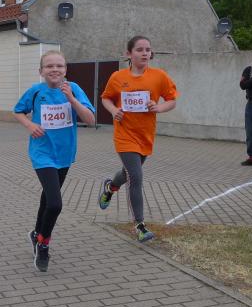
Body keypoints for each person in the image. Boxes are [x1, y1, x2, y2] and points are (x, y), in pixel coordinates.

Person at [13, 50, 96, 272]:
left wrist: (71, 99)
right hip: (42, 153)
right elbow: (18, 111)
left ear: (65, 70)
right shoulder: (35, 91)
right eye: (49, 66)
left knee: (47, 199)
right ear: (41, 71)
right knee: (55, 204)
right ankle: (43, 243)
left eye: (59, 66)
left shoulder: (74, 89)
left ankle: (36, 233)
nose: (55, 69)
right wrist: (30, 125)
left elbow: (90, 120)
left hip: (64, 154)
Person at [98, 36, 178, 242]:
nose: (145, 53)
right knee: (136, 176)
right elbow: (106, 98)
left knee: (128, 174)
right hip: (124, 135)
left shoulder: (159, 76)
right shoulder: (118, 77)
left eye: (148, 50)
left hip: (145, 135)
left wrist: (158, 107)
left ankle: (111, 187)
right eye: (140, 49)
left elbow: (171, 100)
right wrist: (114, 110)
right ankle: (140, 225)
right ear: (129, 53)